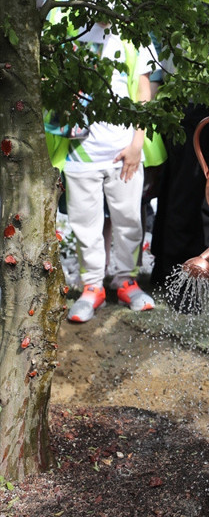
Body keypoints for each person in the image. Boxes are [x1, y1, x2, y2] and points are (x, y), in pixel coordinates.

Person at [52, 23, 158, 322]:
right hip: (79, 154)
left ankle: (126, 281)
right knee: (86, 226)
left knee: (129, 222)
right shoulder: (67, 29)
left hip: (122, 152)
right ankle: (92, 287)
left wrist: (137, 144)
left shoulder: (134, 34)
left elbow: (142, 91)